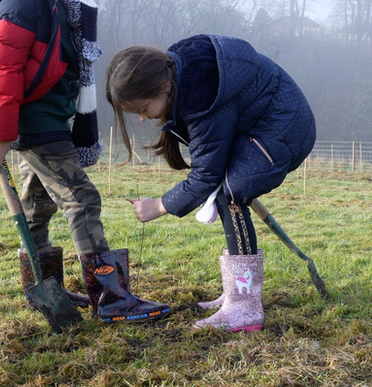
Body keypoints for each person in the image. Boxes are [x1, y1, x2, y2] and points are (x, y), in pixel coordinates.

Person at [0, 0, 170, 323]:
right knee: (82, 198)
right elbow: (1, 65)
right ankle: (112, 297)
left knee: (38, 204)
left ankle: (45, 290)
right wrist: (0, 134)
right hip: (34, 119)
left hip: (47, 114)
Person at [105, 34, 317, 332]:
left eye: (142, 109)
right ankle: (236, 294)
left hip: (285, 126)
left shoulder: (202, 95)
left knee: (230, 192)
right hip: (263, 123)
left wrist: (160, 206)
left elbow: (206, 175)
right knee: (227, 188)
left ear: (164, 87)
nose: (141, 118)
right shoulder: (182, 74)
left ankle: (244, 307)